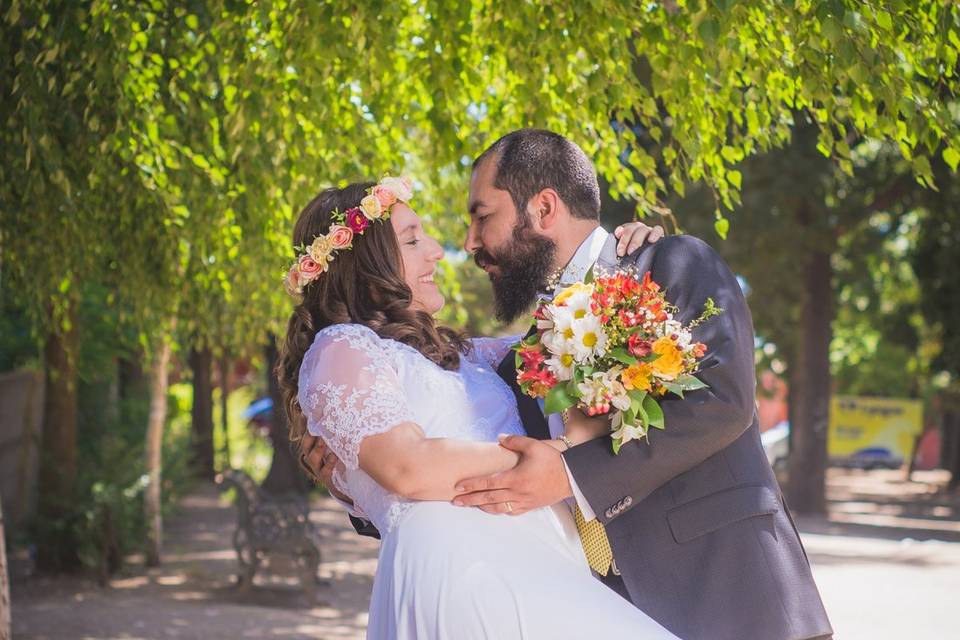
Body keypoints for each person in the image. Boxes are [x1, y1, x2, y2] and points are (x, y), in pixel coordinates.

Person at [305, 129, 834, 640]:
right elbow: (453, 458)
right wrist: (358, 482)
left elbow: (723, 401)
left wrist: (569, 475)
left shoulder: (669, 263)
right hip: (585, 605)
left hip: (730, 596)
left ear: (543, 209)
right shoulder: (516, 363)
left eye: (482, 217)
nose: (467, 245)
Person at [277, 177, 676, 639]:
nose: (435, 252)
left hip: (543, 560)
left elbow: (573, 330)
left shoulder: (469, 356)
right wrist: (561, 458)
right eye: (412, 240)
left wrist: (627, 260)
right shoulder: (339, 348)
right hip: (463, 567)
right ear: (364, 265)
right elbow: (407, 467)